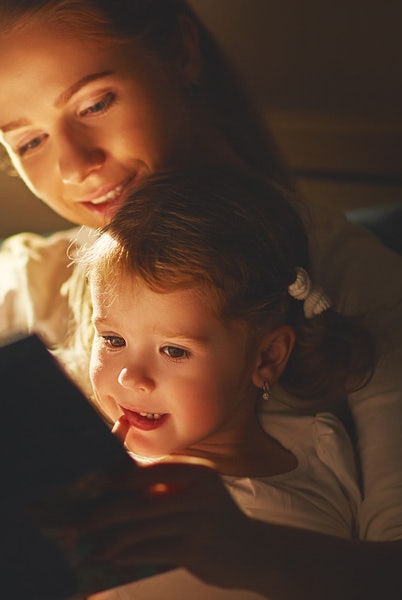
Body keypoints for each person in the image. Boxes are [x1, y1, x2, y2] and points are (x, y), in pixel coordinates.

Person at [0, 0, 402, 598]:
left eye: (95, 104)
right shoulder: (9, 294)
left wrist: (247, 552)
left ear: (181, 54)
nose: (75, 165)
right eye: (29, 141)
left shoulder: (359, 284)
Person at [49, 169, 371, 598]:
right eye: (113, 340)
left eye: (174, 351)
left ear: (268, 356)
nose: (130, 377)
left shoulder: (321, 447)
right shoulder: (86, 470)